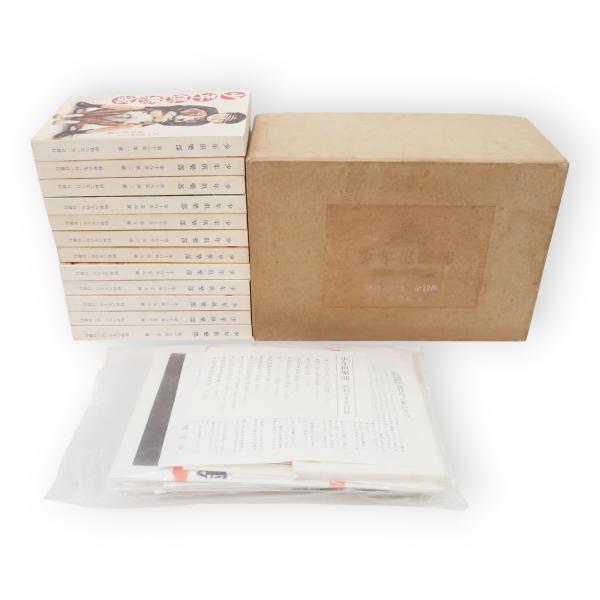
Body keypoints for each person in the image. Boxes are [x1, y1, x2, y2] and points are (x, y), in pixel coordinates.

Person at [52, 101, 246, 138]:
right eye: (224, 116)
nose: (219, 118)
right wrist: (164, 114)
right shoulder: (209, 109)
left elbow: (172, 125)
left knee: (125, 126)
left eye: (223, 121)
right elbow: (180, 108)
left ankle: (83, 131)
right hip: (160, 110)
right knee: (132, 109)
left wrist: (160, 121)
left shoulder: (203, 124)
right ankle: (92, 105)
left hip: (158, 121)